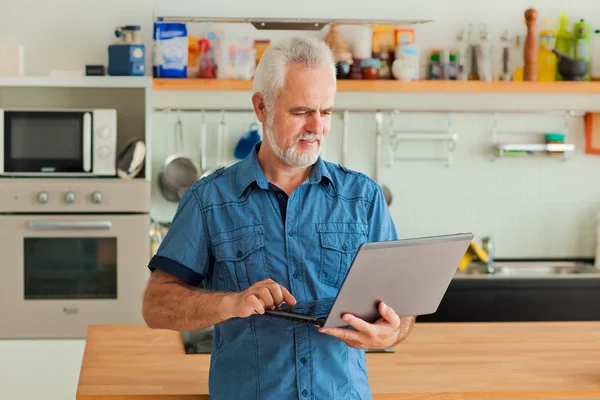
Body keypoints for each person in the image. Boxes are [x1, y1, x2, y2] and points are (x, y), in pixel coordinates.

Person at [142, 36, 416, 400]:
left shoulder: (363, 197)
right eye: (301, 111)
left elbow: (404, 306)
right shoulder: (209, 200)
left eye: (327, 112)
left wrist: (391, 333)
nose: (317, 127)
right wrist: (230, 303)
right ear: (261, 107)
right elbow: (156, 305)